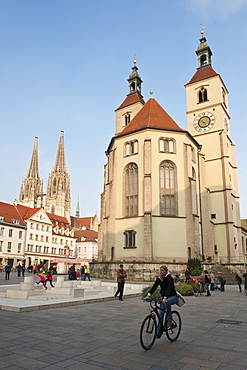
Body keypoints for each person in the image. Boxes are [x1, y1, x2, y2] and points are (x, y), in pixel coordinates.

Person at [143, 266, 178, 338]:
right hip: (164, 298)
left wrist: (165, 297)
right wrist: (148, 295)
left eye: (162, 270)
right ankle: (158, 332)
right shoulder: (159, 279)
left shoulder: (170, 279)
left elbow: (169, 288)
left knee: (167, 302)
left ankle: (169, 320)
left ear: (166, 271)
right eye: (160, 270)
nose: (161, 272)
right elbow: (154, 287)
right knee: (160, 314)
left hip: (173, 296)